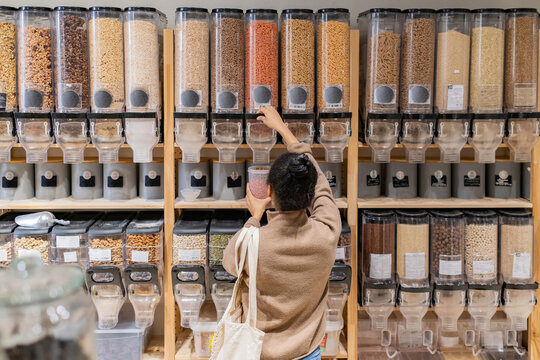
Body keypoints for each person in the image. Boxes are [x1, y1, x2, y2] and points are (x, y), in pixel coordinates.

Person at [223, 106, 341, 360]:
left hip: (258, 353)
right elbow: (321, 187)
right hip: (307, 353)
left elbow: (230, 264)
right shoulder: (328, 232)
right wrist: (284, 130)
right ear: (309, 196)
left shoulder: (253, 242)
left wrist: (254, 217)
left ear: (270, 193)